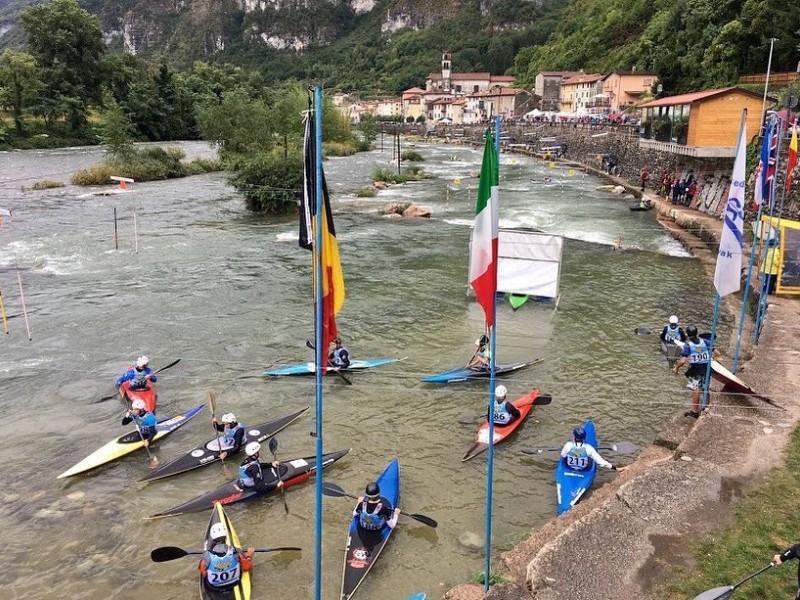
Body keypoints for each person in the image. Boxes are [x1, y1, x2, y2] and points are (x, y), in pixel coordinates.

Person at [673, 325, 720, 419]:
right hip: (707, 368)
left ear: (687, 334)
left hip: (695, 370)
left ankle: (694, 412)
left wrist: (676, 368)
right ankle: (705, 408)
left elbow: (682, 361)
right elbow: (717, 353)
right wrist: (711, 359)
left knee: (696, 390)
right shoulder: (705, 341)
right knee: (705, 388)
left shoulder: (688, 345)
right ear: (696, 333)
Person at [198, 522, 254, 589]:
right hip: (234, 583)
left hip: (214, 587)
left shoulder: (206, 556)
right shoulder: (236, 552)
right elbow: (247, 567)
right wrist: (249, 556)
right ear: (225, 537)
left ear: (212, 538)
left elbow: (203, 572)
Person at [560, 426, 625, 473]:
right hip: (583, 469)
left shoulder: (568, 445)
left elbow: (563, 455)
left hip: (570, 467)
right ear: (584, 438)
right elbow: (601, 462)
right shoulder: (589, 448)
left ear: (574, 437)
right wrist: (616, 468)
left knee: (567, 455)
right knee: (591, 457)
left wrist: (573, 453)